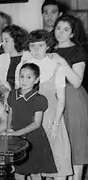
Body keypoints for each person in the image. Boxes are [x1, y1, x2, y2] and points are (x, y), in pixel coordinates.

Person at [15, 30, 72, 179]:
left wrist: (56, 123)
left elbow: (61, 98)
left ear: (48, 46)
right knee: (35, 164)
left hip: (51, 117)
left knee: (58, 161)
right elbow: (18, 95)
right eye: (32, 45)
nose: (36, 49)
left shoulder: (56, 65)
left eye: (40, 45)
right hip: (31, 119)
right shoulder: (24, 66)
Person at [53, 14, 88, 180]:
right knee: (60, 142)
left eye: (66, 29)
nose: (60, 32)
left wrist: (61, 61)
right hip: (54, 98)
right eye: (58, 28)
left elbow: (76, 81)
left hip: (73, 98)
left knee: (76, 142)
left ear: (73, 33)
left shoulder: (78, 50)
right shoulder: (49, 49)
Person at [7, 63, 57, 180]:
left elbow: (36, 123)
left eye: (29, 77)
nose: (24, 80)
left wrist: (16, 133)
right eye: (22, 76)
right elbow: (10, 113)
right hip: (16, 137)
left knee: (34, 171)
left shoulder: (39, 99)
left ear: (36, 80)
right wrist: (8, 129)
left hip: (33, 139)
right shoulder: (12, 94)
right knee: (18, 170)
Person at [0, 25, 28, 102]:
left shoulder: (29, 57)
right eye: (2, 41)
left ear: (16, 40)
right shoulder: (1, 59)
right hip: (7, 99)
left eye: (6, 41)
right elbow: (1, 84)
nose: (3, 44)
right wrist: (6, 92)